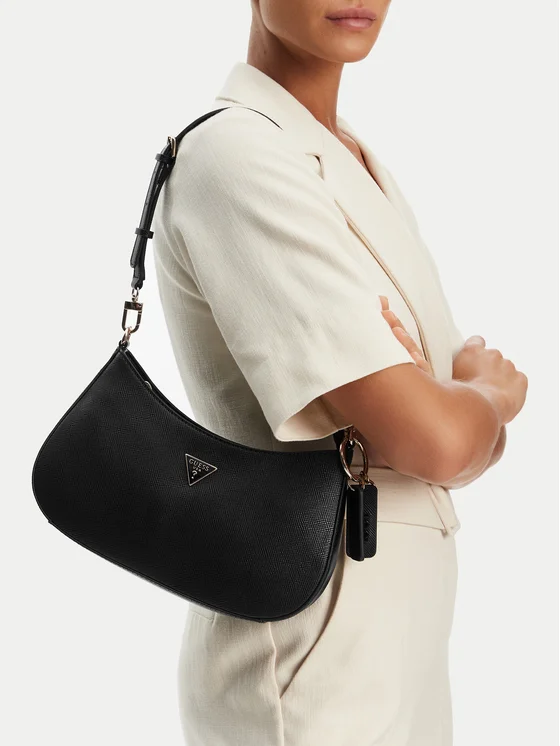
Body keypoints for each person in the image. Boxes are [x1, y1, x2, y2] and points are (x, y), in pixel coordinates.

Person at [151, 2, 528, 744]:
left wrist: (448, 408)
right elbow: (439, 440)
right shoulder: (236, 155)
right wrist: (485, 396)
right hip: (311, 667)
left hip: (394, 654)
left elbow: (443, 429)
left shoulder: (349, 158)